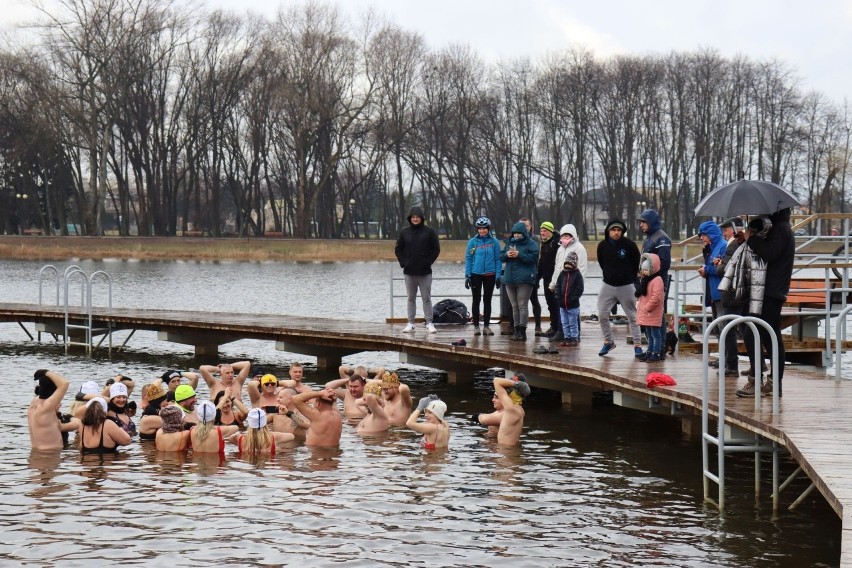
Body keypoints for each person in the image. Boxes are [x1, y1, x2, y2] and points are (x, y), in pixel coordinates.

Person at [738, 210, 794, 397]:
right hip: (766, 290)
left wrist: (751, 240)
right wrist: (747, 239)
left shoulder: (781, 229)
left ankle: (762, 381)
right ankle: (771, 382)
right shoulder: (780, 228)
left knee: (757, 333)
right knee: (766, 335)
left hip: (770, 291)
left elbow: (770, 253)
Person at [596, 219, 643, 357]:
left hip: (626, 285)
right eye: (613, 230)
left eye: (619, 230)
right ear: (608, 231)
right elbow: (601, 263)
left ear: (622, 232)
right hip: (608, 285)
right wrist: (610, 274)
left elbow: (636, 262)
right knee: (602, 314)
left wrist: (631, 278)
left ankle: (638, 345)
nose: (616, 233)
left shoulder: (629, 245)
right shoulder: (602, 246)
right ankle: (608, 341)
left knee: (633, 316)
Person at [395, 205, 441, 334]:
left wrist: (428, 262)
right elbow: (398, 249)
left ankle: (429, 323)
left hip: (425, 271)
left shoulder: (429, 232)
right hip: (409, 271)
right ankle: (410, 323)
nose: (415, 219)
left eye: (417, 217)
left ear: (421, 218)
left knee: (426, 298)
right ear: (410, 218)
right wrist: (404, 262)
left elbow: (436, 249)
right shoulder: (404, 232)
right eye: (413, 217)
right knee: (411, 298)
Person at [714, 217, 747, 377]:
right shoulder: (746, 244)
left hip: (732, 293)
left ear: (734, 230)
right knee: (747, 328)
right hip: (744, 293)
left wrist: (719, 265)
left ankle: (732, 366)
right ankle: (759, 364)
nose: (724, 234)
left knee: (728, 330)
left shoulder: (733, 245)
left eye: (725, 230)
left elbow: (726, 270)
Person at [548, 224, 588, 341]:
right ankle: (562, 332)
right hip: (561, 284)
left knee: (573, 311)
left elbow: (583, 268)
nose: (565, 237)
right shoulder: (560, 249)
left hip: (573, 284)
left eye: (568, 235)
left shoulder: (579, 248)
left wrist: (578, 285)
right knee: (561, 309)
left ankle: (576, 334)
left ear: (573, 235)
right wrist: (553, 284)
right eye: (563, 235)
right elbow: (557, 267)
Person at [500, 221, 539, 341]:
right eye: (515, 233)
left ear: (524, 233)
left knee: (523, 305)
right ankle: (516, 330)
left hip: (525, 279)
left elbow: (533, 258)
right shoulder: (509, 243)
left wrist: (519, 254)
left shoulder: (531, 244)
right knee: (514, 306)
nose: (516, 235)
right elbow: (501, 256)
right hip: (509, 279)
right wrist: (507, 254)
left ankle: (523, 331)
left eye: (519, 233)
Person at [637, 209, 672, 343]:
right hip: (646, 281)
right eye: (640, 222)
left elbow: (664, 263)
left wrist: (649, 276)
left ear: (651, 222)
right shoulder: (650, 238)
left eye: (644, 222)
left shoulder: (661, 238)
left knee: (657, 315)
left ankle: (660, 348)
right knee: (647, 314)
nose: (641, 225)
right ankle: (652, 346)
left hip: (658, 281)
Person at [464, 216, 502, 336]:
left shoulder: (494, 242)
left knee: (487, 300)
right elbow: (469, 258)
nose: (482, 231)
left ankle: (486, 326)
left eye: (484, 228)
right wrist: (467, 275)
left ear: (488, 229)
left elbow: (498, 259)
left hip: (490, 275)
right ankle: (476, 327)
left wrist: (498, 275)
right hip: (476, 274)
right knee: (476, 300)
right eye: (480, 229)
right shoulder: (473, 242)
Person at [28, 369, 79, 450]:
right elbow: (64, 383)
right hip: (49, 457)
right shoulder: (46, 408)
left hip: (36, 455)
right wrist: (46, 372)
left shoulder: (33, 405)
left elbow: (44, 392)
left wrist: (44, 377)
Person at [635, 253, 666, 362]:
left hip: (652, 312)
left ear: (653, 268)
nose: (644, 272)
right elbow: (644, 295)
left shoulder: (657, 280)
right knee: (649, 334)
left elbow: (656, 297)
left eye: (646, 270)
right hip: (646, 313)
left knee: (655, 334)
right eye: (643, 270)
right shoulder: (646, 280)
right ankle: (649, 351)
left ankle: (656, 353)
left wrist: (647, 307)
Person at [228, 408, 294, 455]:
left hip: (247, 465)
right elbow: (292, 436)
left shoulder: (240, 438)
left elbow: (230, 438)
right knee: (279, 448)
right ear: (264, 422)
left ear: (250, 424)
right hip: (268, 467)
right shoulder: (273, 437)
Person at [554, 252, 584, 346]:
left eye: (570, 263)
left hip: (573, 304)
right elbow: (558, 285)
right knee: (564, 322)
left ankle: (574, 337)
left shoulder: (577, 274)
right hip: (562, 304)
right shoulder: (562, 273)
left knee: (573, 322)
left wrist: (573, 298)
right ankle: (567, 337)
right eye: (566, 263)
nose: (568, 265)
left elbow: (579, 288)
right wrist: (558, 296)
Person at [537, 221, 561, 337]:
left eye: (545, 231)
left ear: (551, 232)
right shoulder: (544, 243)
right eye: (541, 231)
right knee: (550, 303)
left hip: (556, 279)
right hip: (547, 279)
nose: (543, 233)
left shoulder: (556, 243)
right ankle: (554, 326)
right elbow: (542, 263)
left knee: (556, 303)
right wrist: (537, 277)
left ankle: (558, 328)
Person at [520, 217, 544, 335]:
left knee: (534, 299)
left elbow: (537, 256)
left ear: (530, 227)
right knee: (518, 303)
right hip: (518, 275)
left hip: (532, 274)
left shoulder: (536, 240)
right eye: (521, 226)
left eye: (526, 226)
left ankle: (538, 326)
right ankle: (517, 327)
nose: (524, 228)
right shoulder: (515, 239)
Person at [492, 375, 529, 446]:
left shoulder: (511, 409)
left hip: (506, 453)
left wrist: (516, 384)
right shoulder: (519, 409)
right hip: (509, 451)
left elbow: (496, 381)